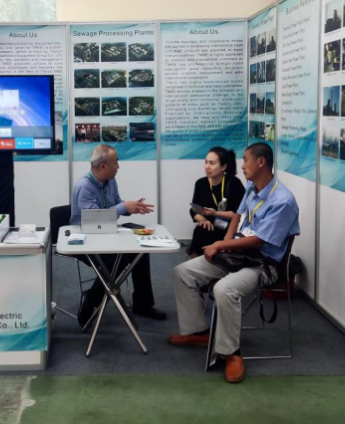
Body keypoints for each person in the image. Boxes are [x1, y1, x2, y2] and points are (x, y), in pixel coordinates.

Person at [168, 142, 299, 384]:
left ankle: (231, 353)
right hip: (237, 254)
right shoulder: (251, 187)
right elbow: (238, 216)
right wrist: (226, 245)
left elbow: (259, 241)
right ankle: (199, 332)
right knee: (182, 272)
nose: (242, 165)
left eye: (246, 159)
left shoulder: (283, 201)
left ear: (261, 162)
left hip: (263, 264)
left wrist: (220, 246)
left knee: (224, 289)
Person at [70, 144, 166, 327]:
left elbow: (116, 204)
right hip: (84, 238)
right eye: (116, 162)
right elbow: (94, 218)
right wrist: (123, 207)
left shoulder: (110, 181)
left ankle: (143, 304)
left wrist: (131, 208)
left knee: (140, 251)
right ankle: (92, 298)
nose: (118, 166)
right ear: (103, 166)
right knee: (117, 257)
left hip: (106, 233)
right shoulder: (84, 186)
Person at [188, 147, 246, 258]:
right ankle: (196, 261)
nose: (207, 167)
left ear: (223, 167)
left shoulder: (234, 183)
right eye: (206, 162)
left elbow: (239, 214)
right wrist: (203, 220)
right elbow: (194, 210)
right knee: (201, 231)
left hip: (229, 229)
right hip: (210, 227)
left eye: (212, 163)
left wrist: (215, 213)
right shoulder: (200, 183)